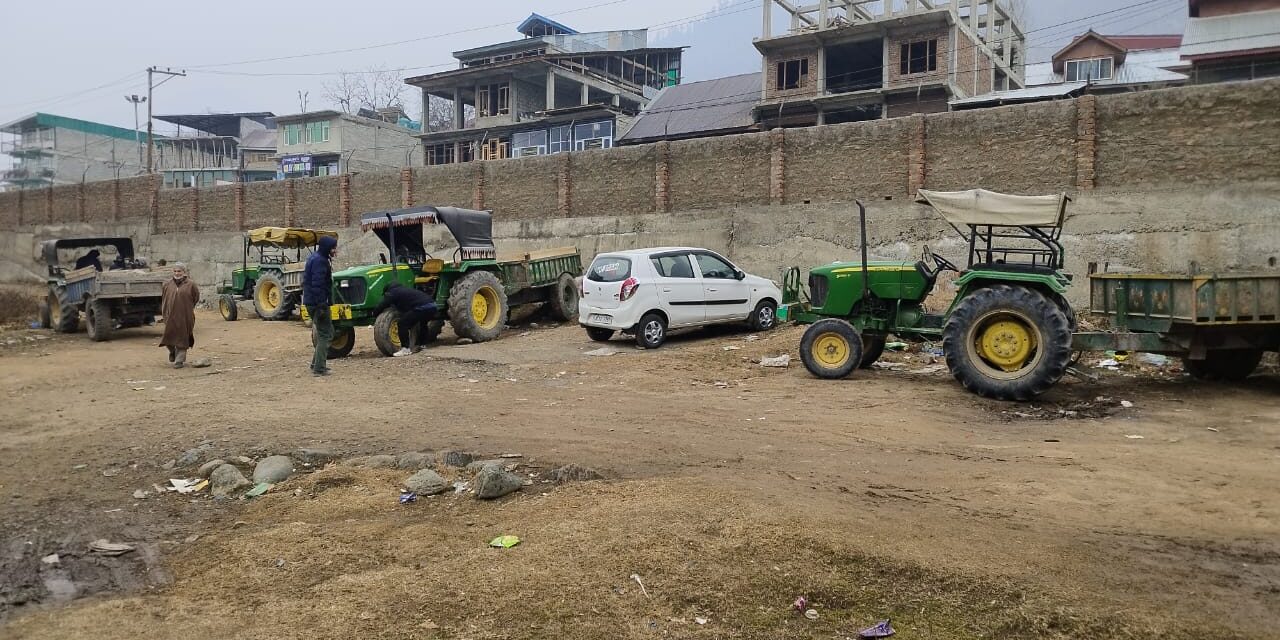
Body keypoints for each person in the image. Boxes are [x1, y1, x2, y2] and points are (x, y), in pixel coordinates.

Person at [373, 282, 439, 357]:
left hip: (422, 307)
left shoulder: (392, 292)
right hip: (433, 306)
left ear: (387, 291)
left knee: (402, 324)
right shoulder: (405, 290)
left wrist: (374, 313)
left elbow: (384, 304)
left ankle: (405, 349)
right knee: (422, 323)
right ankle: (423, 344)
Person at [303, 235, 338, 376]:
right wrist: (322, 305)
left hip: (312, 302)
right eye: (334, 248)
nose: (335, 250)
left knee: (324, 332)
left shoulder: (315, 258)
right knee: (326, 334)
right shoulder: (320, 261)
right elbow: (318, 285)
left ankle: (316, 364)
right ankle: (319, 369)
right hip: (317, 303)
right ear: (327, 248)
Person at [159, 263, 200, 368]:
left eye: (179, 271)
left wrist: (187, 307)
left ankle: (179, 361)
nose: (177, 273)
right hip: (170, 315)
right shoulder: (167, 284)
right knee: (168, 337)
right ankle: (172, 351)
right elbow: (164, 299)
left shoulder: (191, 284)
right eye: (175, 271)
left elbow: (195, 297)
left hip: (185, 316)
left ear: (184, 272)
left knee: (183, 337)